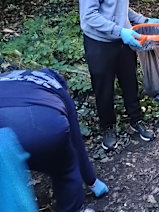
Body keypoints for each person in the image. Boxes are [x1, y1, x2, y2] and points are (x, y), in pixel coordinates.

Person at [78, 0, 159, 150]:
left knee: (130, 83)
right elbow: (89, 15)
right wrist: (119, 31)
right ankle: (107, 128)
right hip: (99, 44)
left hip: (122, 42)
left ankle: (136, 121)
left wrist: (143, 20)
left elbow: (120, 8)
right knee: (103, 88)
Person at [0, 69, 109, 212]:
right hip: (42, 127)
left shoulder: (5, 78)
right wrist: (92, 181)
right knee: (65, 168)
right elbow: (76, 141)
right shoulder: (56, 86)